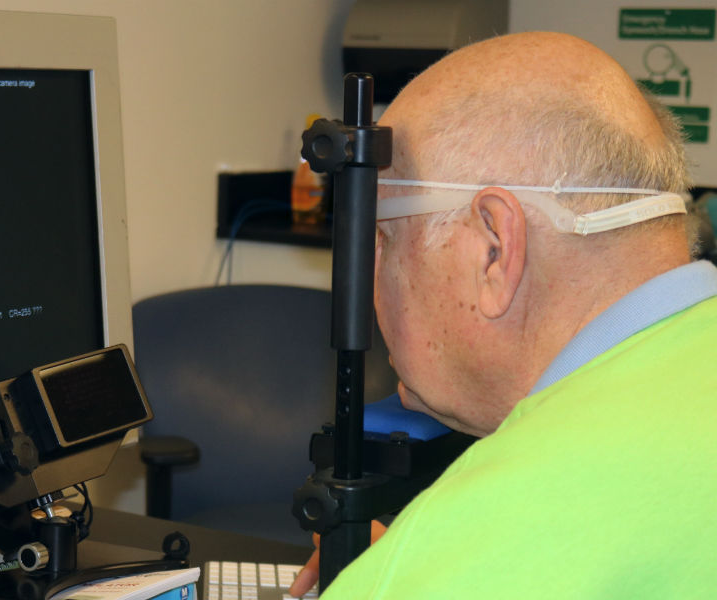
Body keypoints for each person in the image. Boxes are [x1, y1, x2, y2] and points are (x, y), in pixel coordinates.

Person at [289, 31, 717, 598]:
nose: (367, 283)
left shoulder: (508, 516)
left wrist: (418, 568)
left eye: (383, 238)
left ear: (494, 248)